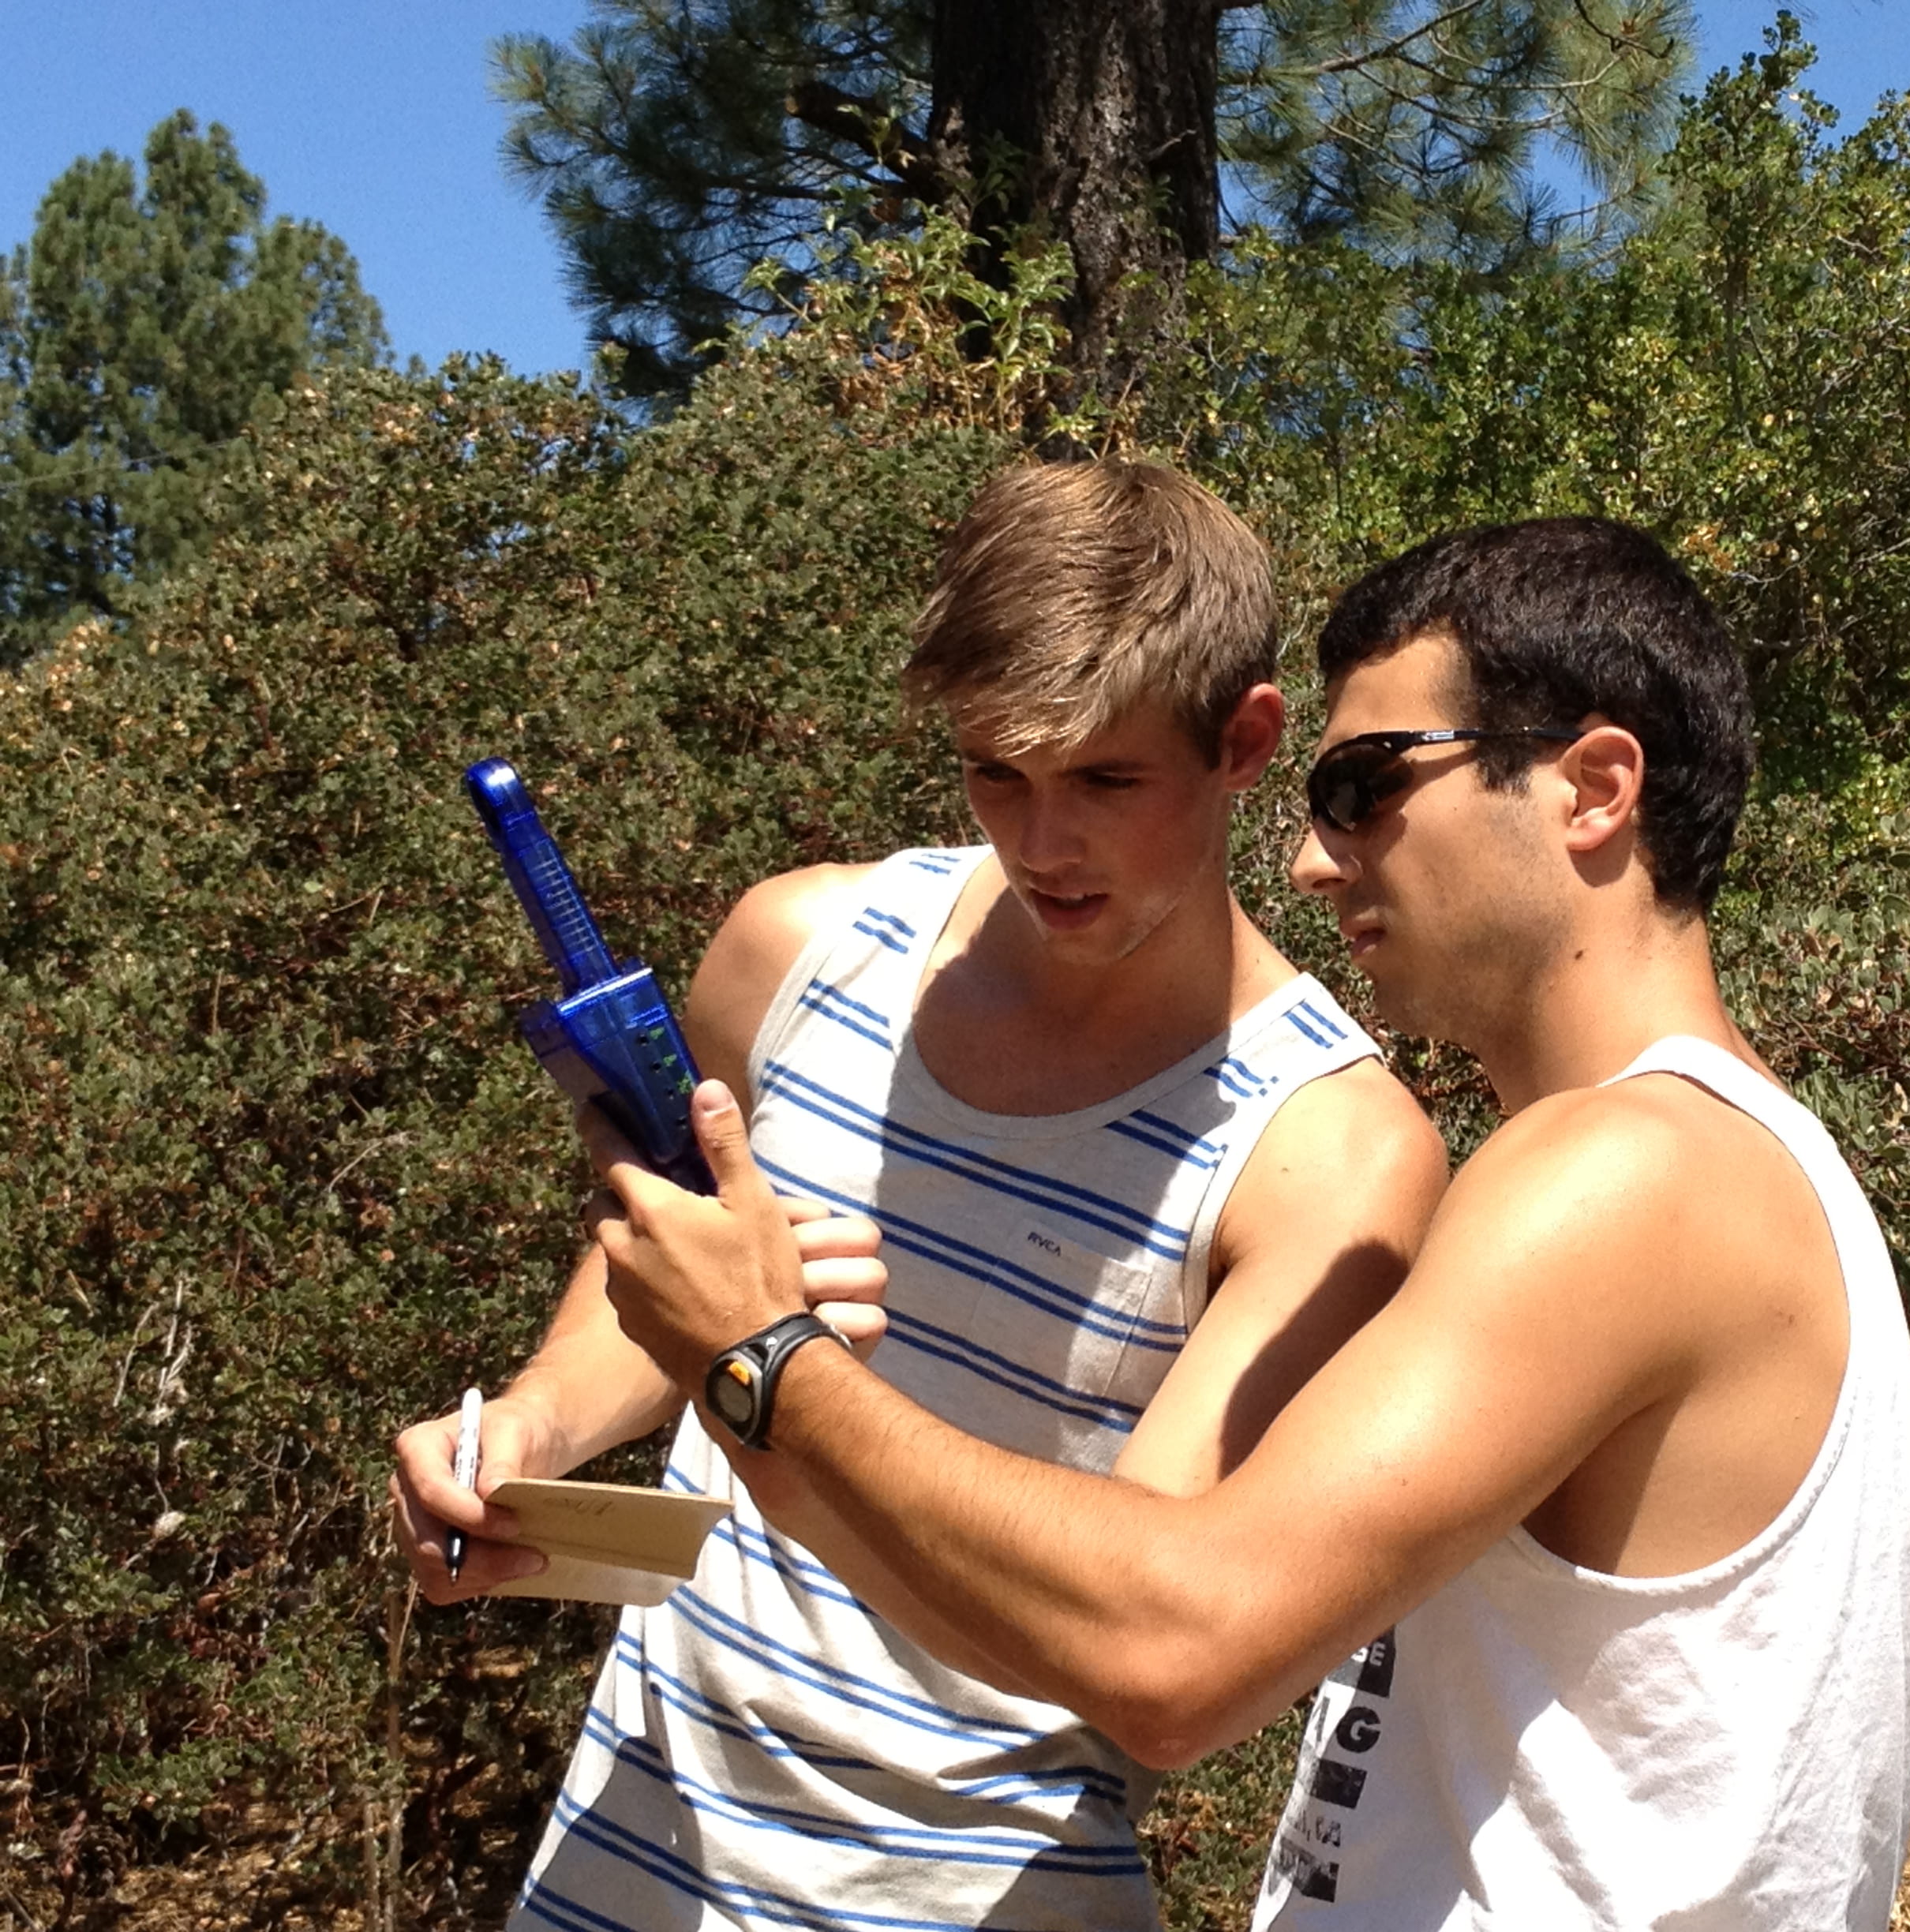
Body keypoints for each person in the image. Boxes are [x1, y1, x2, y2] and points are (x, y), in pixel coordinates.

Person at [580, 515, 1910, 1928]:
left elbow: (1178, 1655)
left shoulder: (1631, 1171)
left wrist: (766, 1363)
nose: (1309, 856)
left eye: (1365, 783)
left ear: (1593, 786)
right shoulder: (1723, 1165)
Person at [389, 459, 1449, 1931]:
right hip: (630, 1852)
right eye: (995, 772)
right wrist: (524, 1435)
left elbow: (1135, 1635)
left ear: (1246, 741)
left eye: (1104, 780)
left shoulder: (1330, 1153)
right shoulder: (799, 946)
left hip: (976, 1890)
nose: (1042, 842)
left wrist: (774, 1375)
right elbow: (656, 1286)